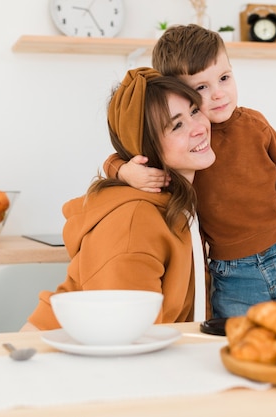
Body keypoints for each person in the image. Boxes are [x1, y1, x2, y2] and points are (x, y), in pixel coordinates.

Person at [104, 24, 276, 318]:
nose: (219, 94)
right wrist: (125, 171)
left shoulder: (253, 123)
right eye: (201, 88)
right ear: (178, 93)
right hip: (233, 273)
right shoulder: (182, 148)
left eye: (224, 78)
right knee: (237, 343)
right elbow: (119, 157)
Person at [21, 67, 216, 331]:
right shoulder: (135, 222)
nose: (199, 128)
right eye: (177, 125)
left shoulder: (182, 202)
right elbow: (130, 337)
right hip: (64, 361)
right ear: (147, 148)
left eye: (194, 111)